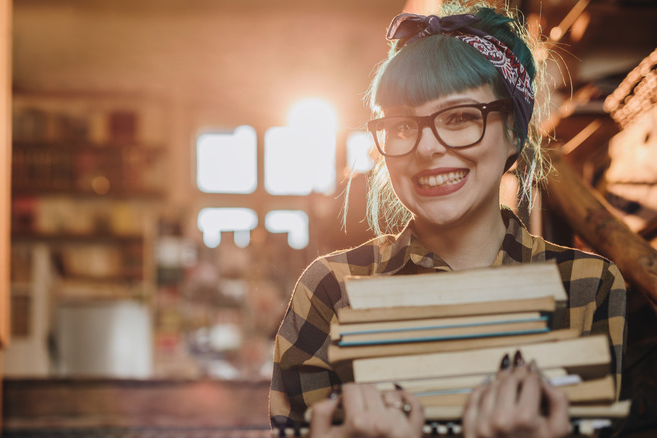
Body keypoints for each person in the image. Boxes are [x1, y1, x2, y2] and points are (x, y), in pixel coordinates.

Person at [269, 1, 627, 436]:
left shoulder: (588, 286)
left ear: (513, 131)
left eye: (460, 118)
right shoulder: (329, 290)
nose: (426, 148)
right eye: (402, 126)